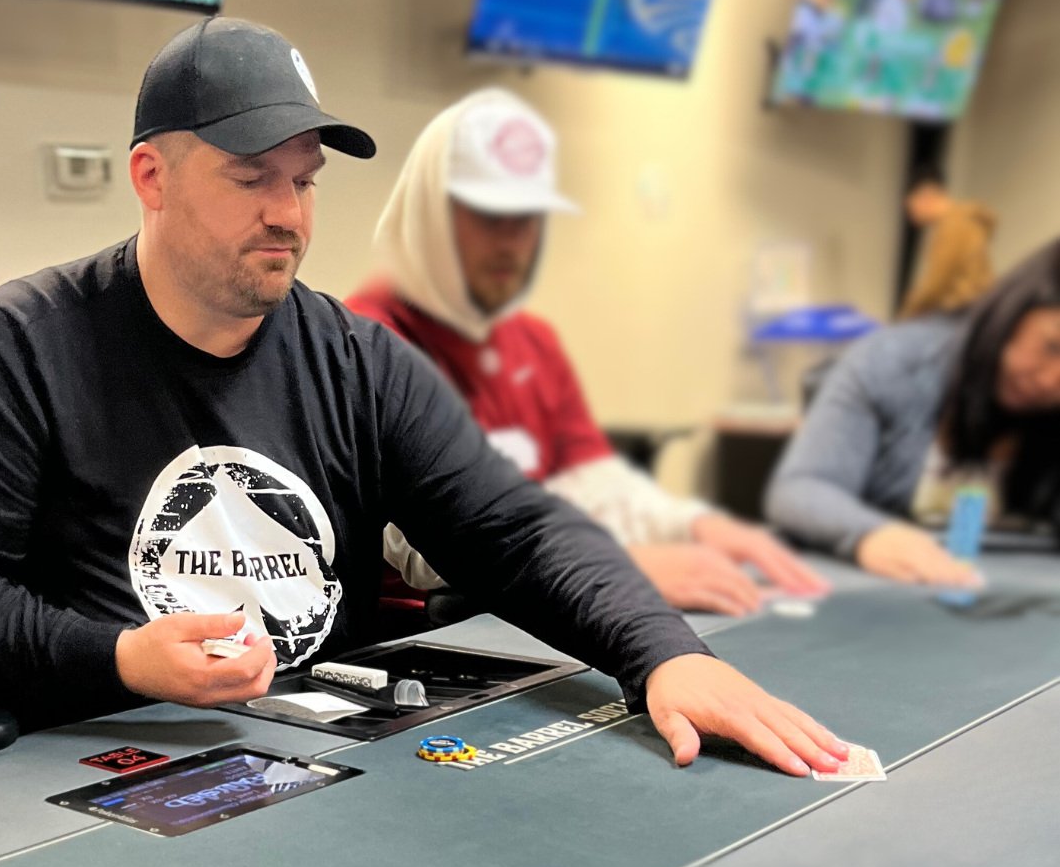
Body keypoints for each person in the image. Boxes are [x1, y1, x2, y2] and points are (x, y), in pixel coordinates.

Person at [0, 18, 846, 777]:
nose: (287, 215)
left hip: (322, 751)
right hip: (101, 755)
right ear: (151, 178)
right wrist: (123, 655)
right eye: (250, 176)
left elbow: (514, 530)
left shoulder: (356, 358)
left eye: (305, 181)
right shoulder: (17, 346)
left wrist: (664, 655)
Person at [346, 89, 828, 619]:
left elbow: (596, 482)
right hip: (430, 636)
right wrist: (619, 562)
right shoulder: (367, 344)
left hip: (555, 604)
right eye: (489, 216)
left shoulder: (531, 339)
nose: (512, 242)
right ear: (428, 217)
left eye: (527, 219)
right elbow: (429, 544)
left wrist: (695, 525)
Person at [768, 238, 1060, 584]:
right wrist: (868, 534)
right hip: (886, 598)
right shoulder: (891, 361)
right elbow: (800, 487)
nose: (1051, 381)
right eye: (1051, 347)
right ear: (1012, 310)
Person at [899, 166, 996, 320]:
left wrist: (907, 311)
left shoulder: (953, 225)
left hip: (961, 314)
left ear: (926, 195)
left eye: (911, 206)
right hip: (969, 312)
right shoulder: (960, 221)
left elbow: (936, 284)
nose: (911, 215)